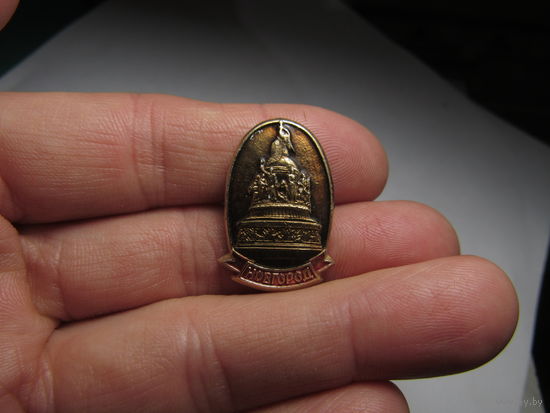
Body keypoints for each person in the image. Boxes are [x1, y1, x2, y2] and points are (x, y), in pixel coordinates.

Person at [0, 2, 518, 412]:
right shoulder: (271, 162)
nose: (282, 150)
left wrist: (286, 176)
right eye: (279, 150)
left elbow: (291, 178)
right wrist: (274, 175)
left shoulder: (290, 160)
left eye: (283, 149)